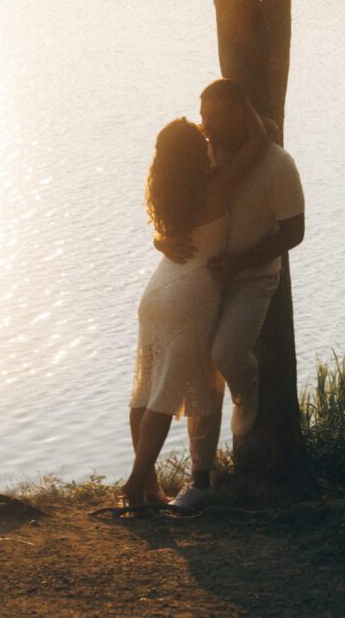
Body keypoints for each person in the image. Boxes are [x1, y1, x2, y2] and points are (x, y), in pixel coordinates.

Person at [158, 79, 305, 510]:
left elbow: (294, 231)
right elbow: (173, 208)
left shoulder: (278, 163)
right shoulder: (199, 157)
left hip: (252, 279)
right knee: (198, 376)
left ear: (242, 114)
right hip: (201, 278)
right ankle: (201, 480)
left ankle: (248, 382)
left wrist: (242, 262)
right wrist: (161, 241)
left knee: (225, 353)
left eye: (216, 117)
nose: (206, 126)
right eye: (203, 117)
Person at [121, 98, 269, 507]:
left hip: (156, 292)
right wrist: (248, 113)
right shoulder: (215, 188)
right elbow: (261, 142)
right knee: (165, 398)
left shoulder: (168, 193)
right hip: (190, 298)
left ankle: (150, 487)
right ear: (194, 152)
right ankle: (135, 483)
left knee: (145, 392)